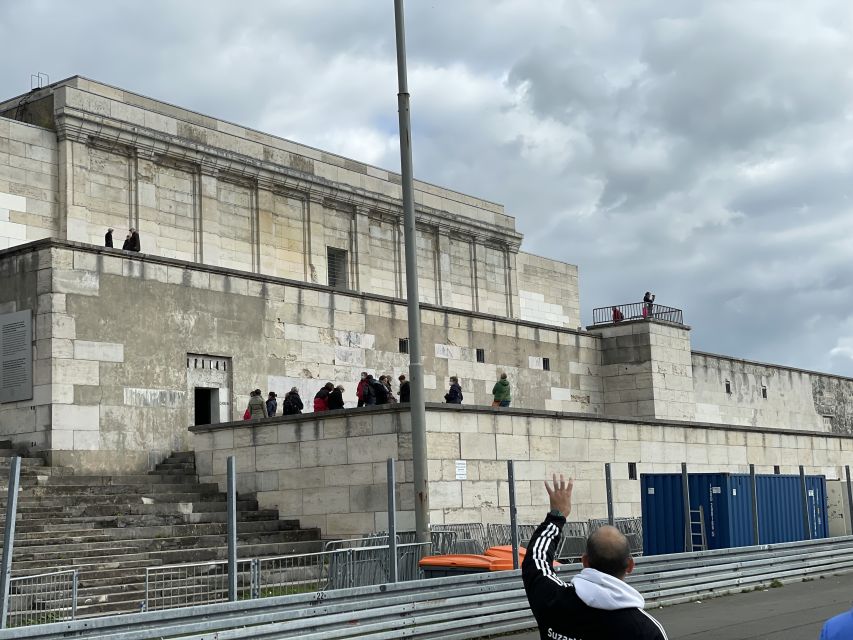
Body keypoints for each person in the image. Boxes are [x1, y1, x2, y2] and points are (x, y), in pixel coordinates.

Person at [522, 474, 668, 640]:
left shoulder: (553, 598)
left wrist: (557, 516)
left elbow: (536, 558)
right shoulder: (646, 630)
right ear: (630, 565)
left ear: (584, 561)